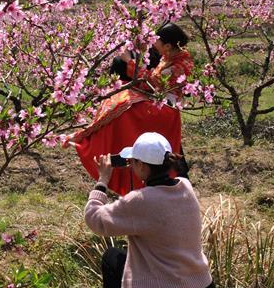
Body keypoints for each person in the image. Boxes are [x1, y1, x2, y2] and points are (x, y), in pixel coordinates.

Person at [85, 132, 215, 288]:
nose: (131, 165)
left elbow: (95, 219)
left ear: (143, 166)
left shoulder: (140, 200)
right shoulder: (186, 187)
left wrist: (103, 180)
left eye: (133, 162)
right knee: (129, 255)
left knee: (112, 256)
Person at [72, 22, 193, 194]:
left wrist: (129, 62)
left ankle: (113, 151)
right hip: (156, 99)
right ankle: (117, 151)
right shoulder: (170, 55)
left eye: (156, 42)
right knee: (119, 96)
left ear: (167, 45)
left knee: (124, 111)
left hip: (165, 107)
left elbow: (152, 82)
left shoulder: (179, 65)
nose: (154, 45)